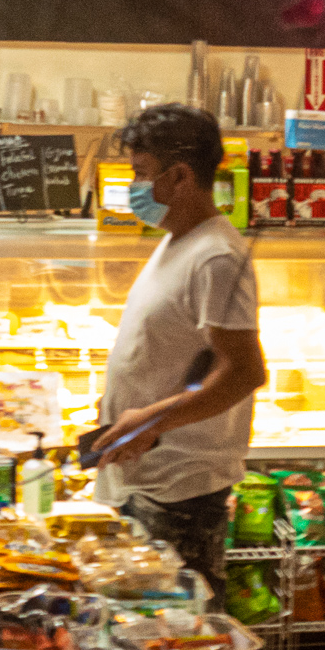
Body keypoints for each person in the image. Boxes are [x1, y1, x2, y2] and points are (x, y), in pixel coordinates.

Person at [89, 104, 267, 608]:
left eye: (141, 173)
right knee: (143, 632)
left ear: (182, 176)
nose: (133, 186)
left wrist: (153, 421)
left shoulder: (217, 256)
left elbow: (244, 372)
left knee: (184, 636)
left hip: (181, 490)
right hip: (147, 477)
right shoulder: (178, 242)